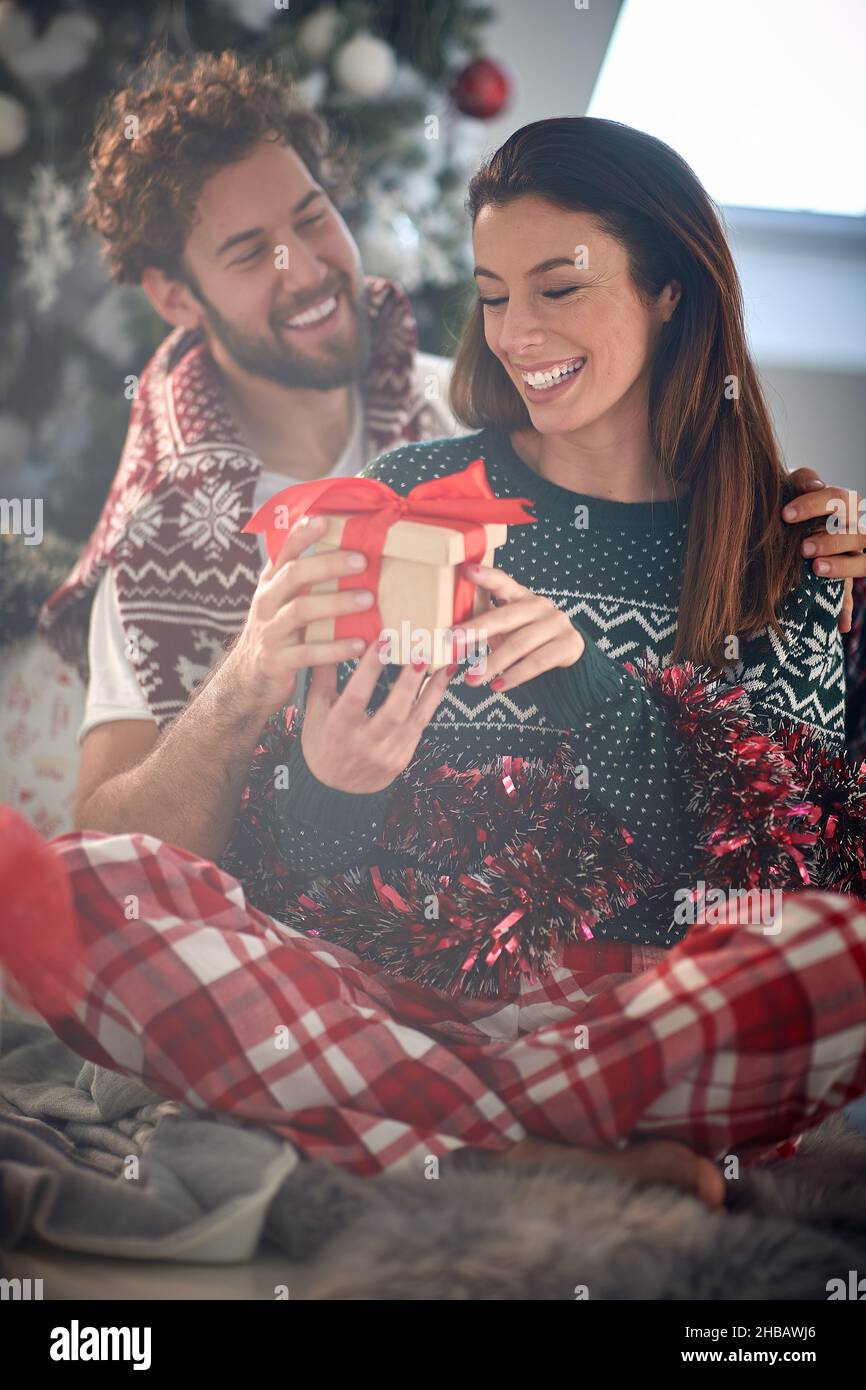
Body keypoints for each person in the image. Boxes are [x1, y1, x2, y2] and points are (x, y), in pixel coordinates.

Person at [22, 116, 866, 1207]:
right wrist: (332, 785)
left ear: (670, 289)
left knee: (834, 947)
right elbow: (293, 875)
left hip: (638, 1016)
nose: (518, 330)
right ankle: (508, 1155)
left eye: (558, 287)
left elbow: (777, 873)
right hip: (394, 1001)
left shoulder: (787, 550)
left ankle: (416, 1132)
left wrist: (588, 686)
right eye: (494, 292)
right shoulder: (414, 486)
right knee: (80, 887)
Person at [37, 50, 465, 863]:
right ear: (174, 297)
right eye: (247, 253)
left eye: (311, 219)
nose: (304, 272)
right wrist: (246, 680)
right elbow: (105, 855)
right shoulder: (154, 539)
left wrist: (778, 516)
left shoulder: (467, 409)